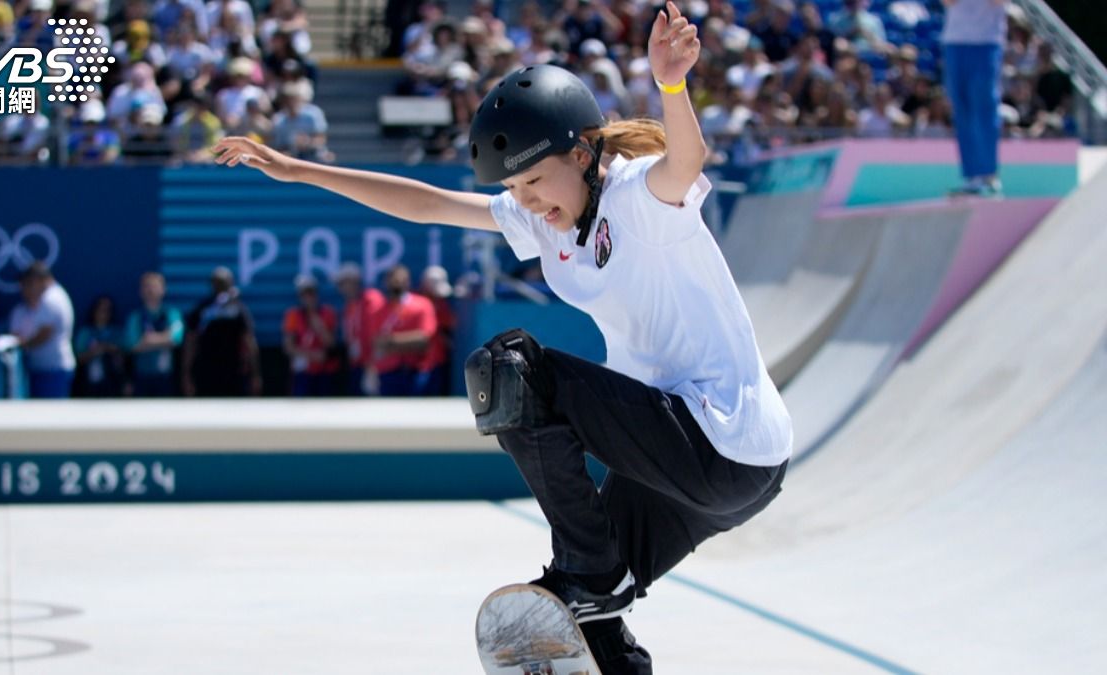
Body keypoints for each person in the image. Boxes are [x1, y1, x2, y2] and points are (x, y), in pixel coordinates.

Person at [212, 4, 790, 671]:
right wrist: (302, 170)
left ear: (582, 152)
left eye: (537, 180)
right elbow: (428, 202)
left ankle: (588, 570)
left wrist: (670, 85)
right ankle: (597, 608)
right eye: (516, 188)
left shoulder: (638, 196)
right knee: (576, 622)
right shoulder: (542, 221)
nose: (530, 201)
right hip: (710, 466)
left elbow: (686, 159)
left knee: (512, 369)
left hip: (719, 439)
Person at [941, 0, 1008, 196]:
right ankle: (971, 176)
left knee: (984, 107)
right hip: (955, 41)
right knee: (962, 110)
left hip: (986, 42)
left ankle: (988, 174)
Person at [182, 267, 262, 397]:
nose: (220, 286)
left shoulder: (238, 309)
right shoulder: (202, 309)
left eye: (224, 282)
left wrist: (255, 375)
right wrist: (187, 374)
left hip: (234, 372)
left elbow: (250, 342)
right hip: (207, 372)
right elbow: (191, 341)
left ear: (231, 283)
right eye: (217, 282)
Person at [8, 263, 76, 398]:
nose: (28, 289)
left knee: (53, 416)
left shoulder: (50, 299)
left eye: (29, 283)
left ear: (38, 280)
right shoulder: (53, 296)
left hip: (53, 370)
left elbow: (45, 333)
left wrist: (22, 344)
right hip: (44, 369)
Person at [368, 265, 437, 396]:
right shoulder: (379, 310)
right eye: (393, 281)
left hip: (417, 372)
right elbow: (377, 342)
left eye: (401, 280)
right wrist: (407, 342)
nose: (397, 284)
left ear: (408, 281)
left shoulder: (422, 305)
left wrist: (392, 341)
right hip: (388, 374)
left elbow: (423, 340)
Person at [124, 272, 184, 397]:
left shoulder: (172, 313)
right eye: (147, 287)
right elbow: (132, 345)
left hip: (167, 378)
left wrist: (148, 339)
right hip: (141, 378)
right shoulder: (135, 317)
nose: (150, 290)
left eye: (154, 286)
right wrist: (164, 337)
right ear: (140, 291)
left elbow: (176, 339)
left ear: (163, 290)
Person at [282, 274, 340, 396]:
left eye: (311, 293)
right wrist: (312, 355)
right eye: (304, 294)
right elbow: (289, 347)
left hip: (325, 371)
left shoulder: (327, 313)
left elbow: (331, 343)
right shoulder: (293, 315)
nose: (308, 297)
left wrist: (318, 325)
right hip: (303, 372)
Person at [333, 262, 384, 396]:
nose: (340, 288)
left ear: (354, 281)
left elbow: (378, 333)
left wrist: (373, 365)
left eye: (342, 283)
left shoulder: (371, 299)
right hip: (356, 364)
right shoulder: (349, 305)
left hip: (372, 366)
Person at [74, 295, 127, 397]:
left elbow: (123, 355)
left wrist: (108, 349)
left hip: (111, 384)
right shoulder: (85, 333)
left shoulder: (116, 333)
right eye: (100, 310)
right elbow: (79, 358)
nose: (103, 314)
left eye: (107, 310)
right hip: (88, 383)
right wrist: (95, 351)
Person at [417, 265, 456, 396]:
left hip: (439, 362)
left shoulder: (442, 304)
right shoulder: (416, 303)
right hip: (418, 364)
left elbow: (450, 323)